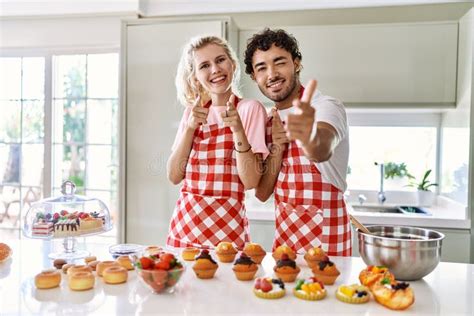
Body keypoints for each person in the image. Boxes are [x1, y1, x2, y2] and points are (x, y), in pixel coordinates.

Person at [244, 28, 351, 256]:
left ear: (297, 63)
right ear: (254, 77)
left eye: (279, 62)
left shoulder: (325, 107)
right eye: (261, 68)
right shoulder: (269, 120)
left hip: (327, 249)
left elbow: (322, 148)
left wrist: (308, 137)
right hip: (285, 250)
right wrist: (277, 147)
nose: (271, 74)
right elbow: (262, 193)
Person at [166, 35, 269, 250]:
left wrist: (238, 130)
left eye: (220, 60)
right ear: (195, 78)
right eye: (204, 65)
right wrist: (190, 128)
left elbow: (250, 181)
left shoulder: (250, 109)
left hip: (228, 234)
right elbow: (174, 176)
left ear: (232, 64)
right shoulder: (192, 114)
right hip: (185, 231)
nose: (215, 69)